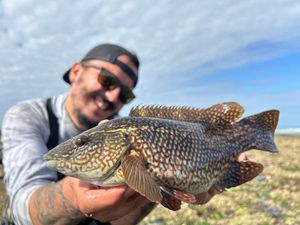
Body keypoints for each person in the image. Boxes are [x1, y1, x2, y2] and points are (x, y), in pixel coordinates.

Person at [1, 43, 222, 225]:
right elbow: (21, 209)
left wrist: (161, 189)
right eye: (107, 80)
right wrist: (71, 197)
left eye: (125, 95)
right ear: (76, 71)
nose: (113, 96)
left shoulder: (122, 129)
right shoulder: (29, 116)